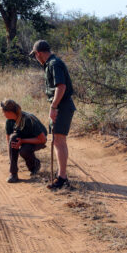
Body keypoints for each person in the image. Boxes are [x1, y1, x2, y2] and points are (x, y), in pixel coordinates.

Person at [29, 40, 76, 189]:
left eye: (35, 56)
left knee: (59, 141)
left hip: (61, 106)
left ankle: (62, 179)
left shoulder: (54, 64)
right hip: (61, 105)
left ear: (39, 53)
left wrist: (54, 106)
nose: (36, 59)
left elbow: (61, 87)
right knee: (58, 140)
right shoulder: (51, 63)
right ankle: (62, 175)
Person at [0, 99, 47, 183]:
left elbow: (42, 139)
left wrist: (22, 141)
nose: (3, 114)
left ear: (9, 112)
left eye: (3, 112)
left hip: (37, 139)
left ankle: (34, 166)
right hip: (23, 139)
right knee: (13, 138)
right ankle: (13, 174)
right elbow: (9, 141)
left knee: (24, 151)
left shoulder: (28, 119)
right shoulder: (9, 122)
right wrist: (11, 161)